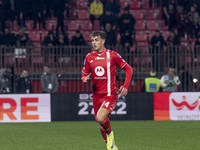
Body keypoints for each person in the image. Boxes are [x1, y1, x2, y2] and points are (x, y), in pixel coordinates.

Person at [82, 31, 133, 150]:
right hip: (96, 95)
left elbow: (129, 69)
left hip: (110, 94)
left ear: (103, 41)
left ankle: (110, 135)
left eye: (97, 40)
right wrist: (85, 78)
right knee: (101, 124)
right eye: (93, 40)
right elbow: (84, 73)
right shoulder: (89, 57)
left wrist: (125, 86)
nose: (94, 43)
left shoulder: (113, 55)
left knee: (100, 118)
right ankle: (112, 147)